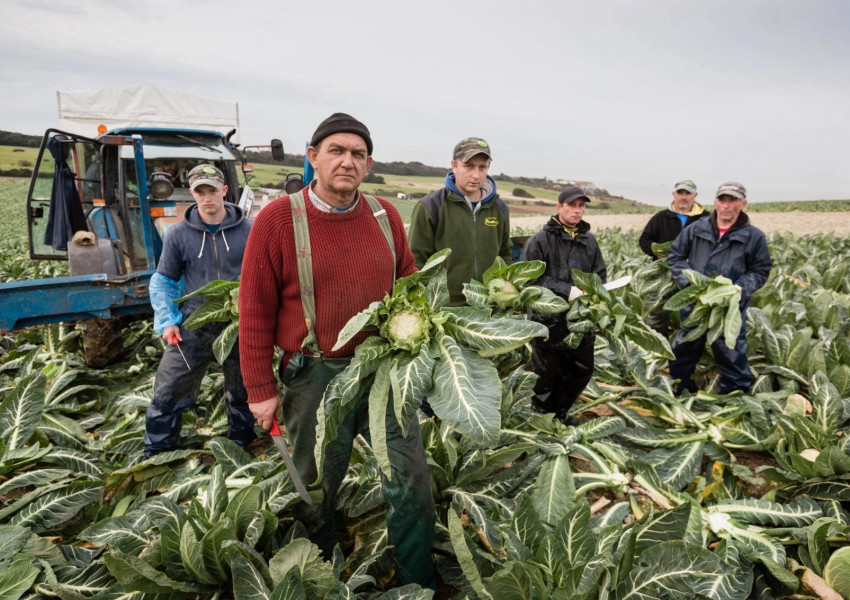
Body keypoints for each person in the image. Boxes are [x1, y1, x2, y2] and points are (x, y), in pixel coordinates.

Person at [238, 113, 435, 588]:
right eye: (336, 151)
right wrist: (259, 387)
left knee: (410, 482)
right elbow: (254, 309)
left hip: (382, 371)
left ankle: (416, 583)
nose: (348, 161)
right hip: (314, 374)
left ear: (368, 164)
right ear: (313, 157)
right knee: (314, 489)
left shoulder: (387, 216)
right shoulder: (278, 219)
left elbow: (408, 285)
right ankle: (320, 575)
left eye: (358, 154)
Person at [144, 164, 256, 457]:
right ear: (192, 193)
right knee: (169, 389)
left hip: (237, 324)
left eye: (212, 190)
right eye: (200, 191)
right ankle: (158, 452)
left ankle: (241, 446)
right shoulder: (178, 234)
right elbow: (165, 280)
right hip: (194, 323)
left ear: (224, 190)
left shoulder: (249, 230)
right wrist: (167, 321)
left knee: (244, 388)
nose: (207, 198)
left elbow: (265, 276)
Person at [668, 181, 772, 395]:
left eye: (732, 200)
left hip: (729, 306)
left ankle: (735, 394)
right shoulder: (696, 229)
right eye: (722, 200)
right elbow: (676, 256)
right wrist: (690, 282)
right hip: (695, 302)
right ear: (715, 202)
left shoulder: (753, 236)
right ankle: (679, 386)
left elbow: (760, 270)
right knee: (686, 345)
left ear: (743, 203)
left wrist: (740, 288)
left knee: (731, 350)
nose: (726, 206)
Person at [522, 186, 607, 424]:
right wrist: (566, 290)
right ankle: (541, 417)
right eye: (572, 205)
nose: (577, 211)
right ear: (559, 207)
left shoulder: (589, 241)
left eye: (581, 206)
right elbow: (531, 280)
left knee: (581, 369)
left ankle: (560, 413)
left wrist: (595, 294)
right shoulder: (539, 241)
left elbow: (599, 274)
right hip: (547, 320)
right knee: (547, 374)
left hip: (580, 321)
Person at [407, 137, 512, 305]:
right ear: (454, 165)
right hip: (444, 310)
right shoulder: (430, 206)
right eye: (468, 166)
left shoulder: (499, 208)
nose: (476, 175)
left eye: (482, 167)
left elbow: (505, 254)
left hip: (489, 308)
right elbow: (416, 262)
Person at [638, 180, 709, 334]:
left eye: (687, 193)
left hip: (694, 274)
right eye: (680, 193)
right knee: (656, 311)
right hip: (664, 272)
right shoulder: (661, 217)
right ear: (674, 195)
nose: (683, 197)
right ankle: (658, 343)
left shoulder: (706, 219)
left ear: (695, 195)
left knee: (693, 311)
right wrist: (657, 252)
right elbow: (644, 240)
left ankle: (686, 346)